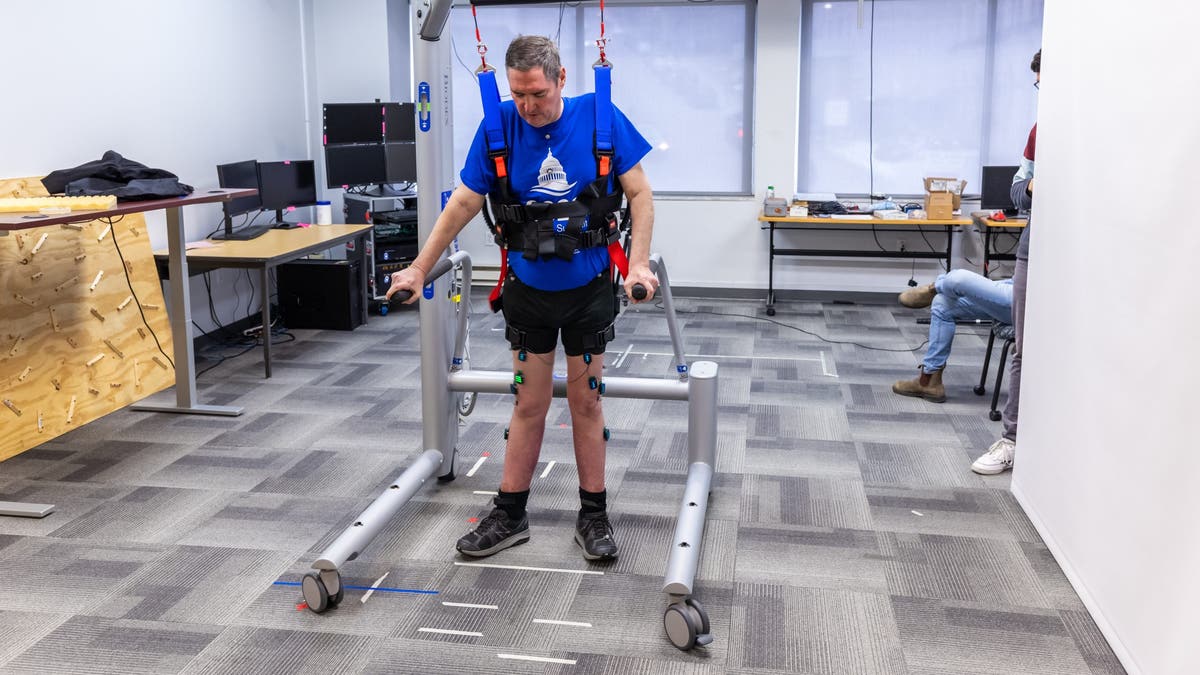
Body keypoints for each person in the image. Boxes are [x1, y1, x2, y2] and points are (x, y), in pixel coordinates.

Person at [385, 35, 658, 560]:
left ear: (560, 79)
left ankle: (594, 515)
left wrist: (639, 260)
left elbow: (641, 193)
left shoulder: (600, 118)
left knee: (587, 401)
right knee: (529, 402)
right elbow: (464, 201)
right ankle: (510, 512)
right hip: (529, 291)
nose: (528, 107)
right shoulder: (499, 127)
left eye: (537, 93)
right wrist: (420, 268)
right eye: (518, 94)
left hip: (589, 289)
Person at [971, 49, 1039, 475]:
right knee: (1024, 348)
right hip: (1035, 249)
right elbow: (1016, 191)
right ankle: (1013, 438)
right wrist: (1033, 186)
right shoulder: (1040, 131)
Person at [893, 269, 1014, 402]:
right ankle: (929, 380)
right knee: (942, 303)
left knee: (958, 279)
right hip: (1015, 286)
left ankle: (935, 287)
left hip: (1027, 302)